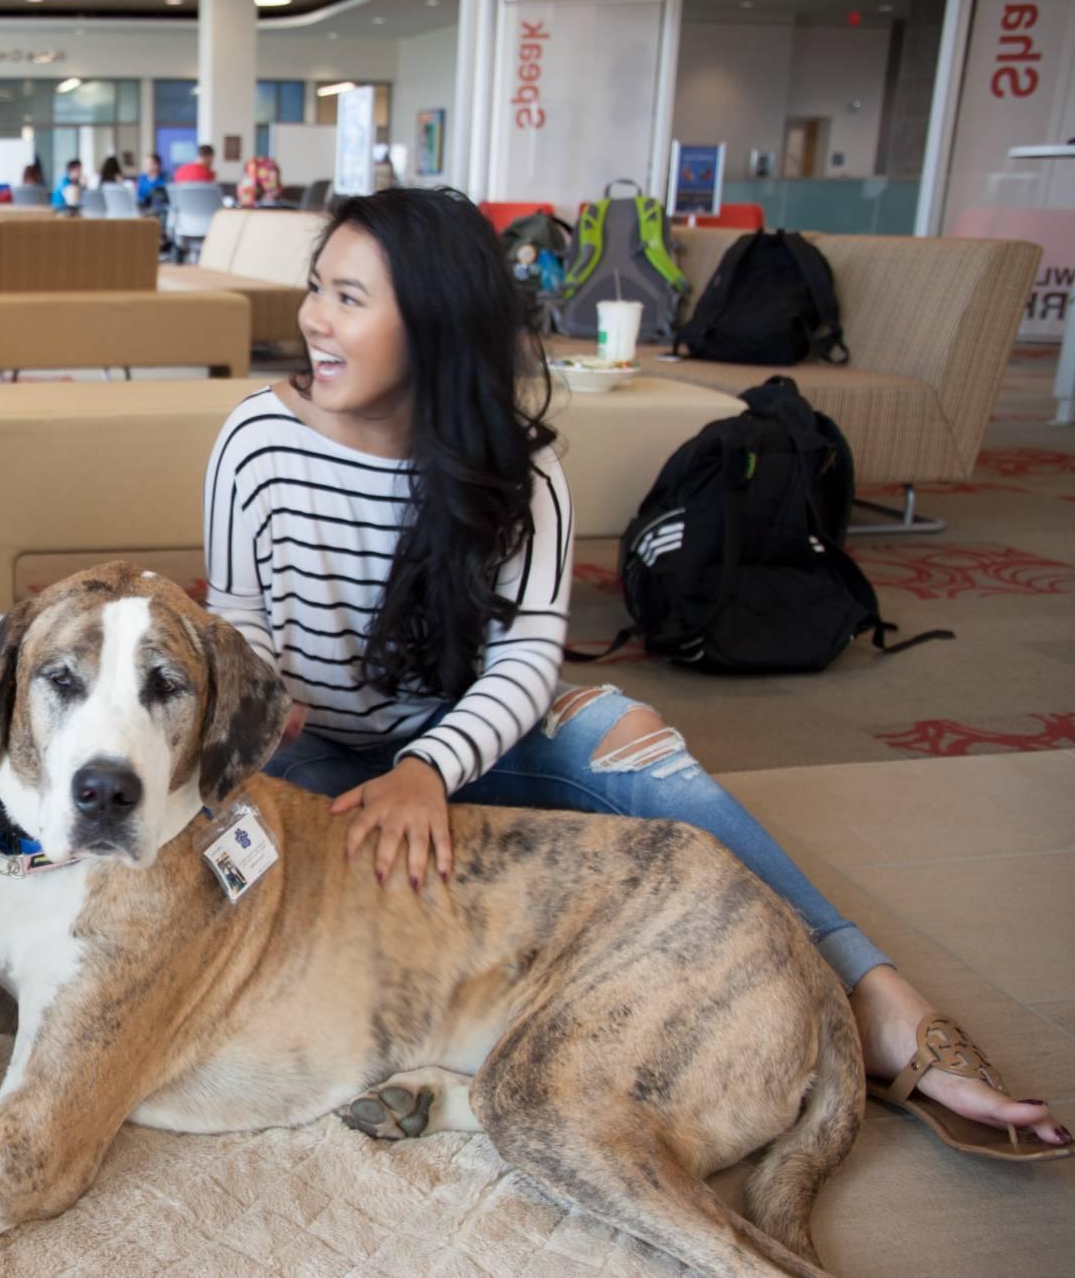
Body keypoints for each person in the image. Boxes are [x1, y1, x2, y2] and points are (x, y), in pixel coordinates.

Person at [199, 187, 1069, 1160]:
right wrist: (261, 703)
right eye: (315, 287)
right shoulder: (255, 440)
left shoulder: (514, 468)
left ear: (438, 322)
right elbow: (237, 613)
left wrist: (427, 770)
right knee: (257, 888)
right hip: (317, 755)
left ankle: (876, 999)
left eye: (348, 297)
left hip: (456, 744)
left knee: (635, 741)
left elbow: (525, 655)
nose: (312, 316)